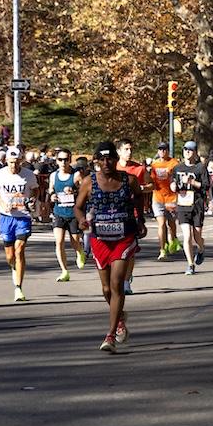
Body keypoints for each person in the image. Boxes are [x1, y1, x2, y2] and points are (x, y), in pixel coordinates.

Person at [75, 142, 146, 353]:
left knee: (116, 284)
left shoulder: (128, 180)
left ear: (116, 160)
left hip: (124, 237)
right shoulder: (89, 183)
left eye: (110, 159)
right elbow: (78, 208)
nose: (107, 163)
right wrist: (81, 221)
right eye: (102, 159)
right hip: (100, 239)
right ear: (96, 161)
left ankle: (110, 335)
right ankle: (120, 318)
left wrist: (139, 218)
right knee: (106, 289)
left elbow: (139, 196)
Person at [0, 147, 39, 301]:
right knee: (10, 256)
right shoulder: (0, 174)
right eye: (11, 163)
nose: (13, 166)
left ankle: (18, 288)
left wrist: (32, 199)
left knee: (20, 250)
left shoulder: (28, 175)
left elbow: (35, 190)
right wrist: (1, 203)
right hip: (6, 217)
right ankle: (13, 267)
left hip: (23, 216)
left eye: (16, 162)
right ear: (6, 161)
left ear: (21, 161)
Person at [116, 138, 150, 294]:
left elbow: (152, 185)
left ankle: (126, 281)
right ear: (119, 151)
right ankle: (117, 277)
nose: (129, 152)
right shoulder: (113, 168)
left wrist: (140, 187)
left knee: (130, 249)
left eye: (131, 149)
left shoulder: (139, 169)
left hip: (133, 213)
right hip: (115, 213)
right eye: (126, 149)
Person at [171, 141, 209, 275]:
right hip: (182, 205)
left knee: (197, 236)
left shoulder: (200, 168)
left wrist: (192, 182)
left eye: (190, 150)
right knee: (187, 236)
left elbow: (206, 186)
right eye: (185, 149)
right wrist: (173, 187)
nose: (187, 152)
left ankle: (201, 249)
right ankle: (190, 264)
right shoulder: (177, 168)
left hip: (197, 204)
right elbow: (173, 183)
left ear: (195, 153)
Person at [48, 148, 86, 282]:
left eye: (66, 159)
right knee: (59, 242)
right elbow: (51, 189)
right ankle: (64, 271)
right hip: (59, 212)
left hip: (73, 212)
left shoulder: (76, 175)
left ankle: (80, 251)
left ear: (70, 160)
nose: (63, 162)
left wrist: (74, 191)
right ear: (56, 161)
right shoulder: (53, 175)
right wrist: (52, 196)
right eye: (60, 160)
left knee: (74, 241)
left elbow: (84, 191)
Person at [150, 142, 181, 260]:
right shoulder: (154, 165)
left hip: (171, 198)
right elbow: (152, 180)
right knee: (161, 223)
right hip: (158, 197)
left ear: (168, 150)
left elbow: (178, 178)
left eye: (164, 149)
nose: (162, 151)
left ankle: (173, 239)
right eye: (160, 149)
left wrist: (174, 181)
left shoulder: (174, 163)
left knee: (171, 224)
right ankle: (162, 250)